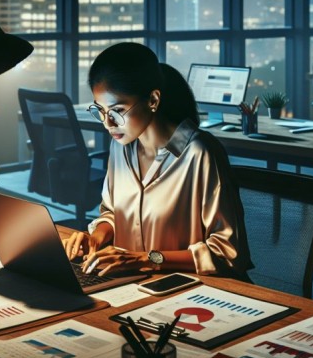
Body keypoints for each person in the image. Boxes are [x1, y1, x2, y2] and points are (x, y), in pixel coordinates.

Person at [62, 43, 252, 280]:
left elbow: (228, 253)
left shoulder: (200, 153)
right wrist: (96, 237)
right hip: (133, 284)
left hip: (197, 291)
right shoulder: (120, 147)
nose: (108, 123)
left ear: (153, 99)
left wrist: (148, 259)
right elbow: (112, 212)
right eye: (100, 111)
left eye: (117, 110)